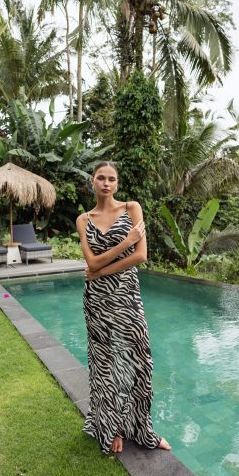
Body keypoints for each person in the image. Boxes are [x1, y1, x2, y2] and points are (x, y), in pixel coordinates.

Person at [76, 161, 171, 454]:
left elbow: (141, 255)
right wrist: (126, 242)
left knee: (138, 361)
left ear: (117, 183)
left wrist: (101, 271)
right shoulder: (83, 219)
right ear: (92, 181)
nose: (106, 183)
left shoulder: (132, 209)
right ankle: (112, 427)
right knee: (105, 365)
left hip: (126, 297)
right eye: (101, 178)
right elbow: (91, 262)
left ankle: (141, 429)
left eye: (111, 179)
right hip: (97, 301)